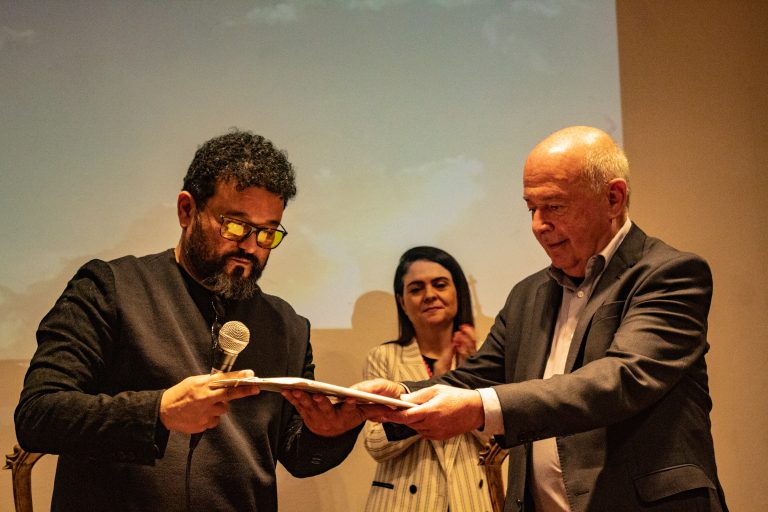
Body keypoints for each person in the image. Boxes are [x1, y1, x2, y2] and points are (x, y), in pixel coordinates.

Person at [356, 126, 728, 511]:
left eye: (554, 206)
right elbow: (476, 377)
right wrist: (394, 398)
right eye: (531, 208)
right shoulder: (527, 294)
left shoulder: (669, 273)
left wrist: (481, 408)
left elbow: (621, 379)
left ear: (613, 198)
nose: (538, 225)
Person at [14, 130, 364, 512]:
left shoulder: (288, 327)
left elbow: (298, 456)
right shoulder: (111, 288)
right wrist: (159, 411)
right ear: (186, 210)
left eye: (267, 233)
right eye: (235, 225)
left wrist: (327, 432)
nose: (250, 246)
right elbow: (39, 415)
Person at [362, 246, 493, 512]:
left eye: (440, 285)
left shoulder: (484, 356)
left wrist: (470, 375)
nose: (430, 295)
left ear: (458, 293)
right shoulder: (384, 357)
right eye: (416, 288)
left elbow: (497, 441)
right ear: (402, 302)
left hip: (470, 500)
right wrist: (442, 382)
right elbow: (376, 444)